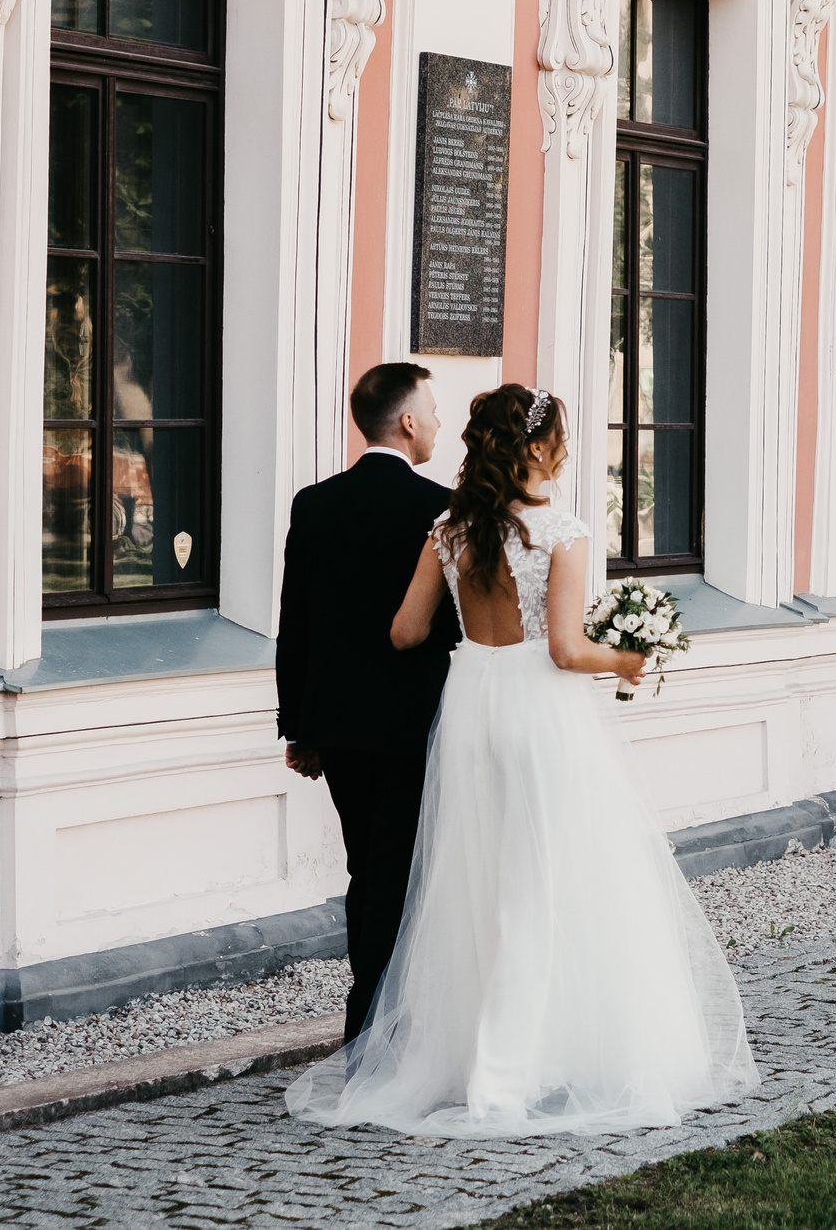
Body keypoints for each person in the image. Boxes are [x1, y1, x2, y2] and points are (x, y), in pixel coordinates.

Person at [286, 384, 757, 1136]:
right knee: (543, 882)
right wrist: (628, 658)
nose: (565, 449)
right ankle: (510, 1074)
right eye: (561, 438)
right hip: (540, 713)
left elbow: (406, 632)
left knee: (473, 882)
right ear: (537, 446)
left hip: (471, 708)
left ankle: (475, 1056)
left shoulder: (448, 529)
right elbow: (569, 650)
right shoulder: (562, 532)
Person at [276, 362, 458, 1044]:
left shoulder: (314, 502)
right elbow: (453, 623)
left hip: (341, 727)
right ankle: (381, 1025)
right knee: (410, 873)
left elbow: (298, 622)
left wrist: (299, 726)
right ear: (407, 422)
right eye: (434, 411)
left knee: (371, 868)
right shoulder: (438, 508)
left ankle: (380, 1017)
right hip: (418, 724)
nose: (440, 422)